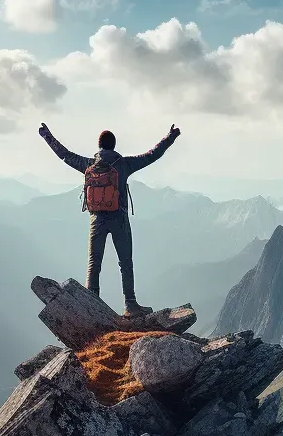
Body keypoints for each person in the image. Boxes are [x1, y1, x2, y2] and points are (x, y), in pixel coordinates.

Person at [38, 122, 181, 318]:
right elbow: (152, 155)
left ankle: (90, 303)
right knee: (125, 262)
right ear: (114, 145)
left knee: (94, 262)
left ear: (99, 146)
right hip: (119, 218)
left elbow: (65, 155)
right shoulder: (123, 165)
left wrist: (47, 136)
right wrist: (170, 137)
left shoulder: (88, 165)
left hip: (96, 219)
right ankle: (130, 305)